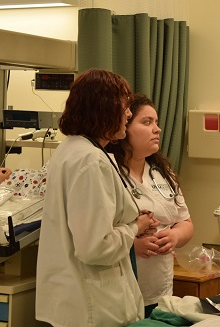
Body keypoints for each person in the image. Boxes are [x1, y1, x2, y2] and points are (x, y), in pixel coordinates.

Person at [36, 68, 159, 327]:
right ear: (104, 108)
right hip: (93, 306)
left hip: (76, 301)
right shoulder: (90, 160)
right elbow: (96, 247)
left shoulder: (71, 150)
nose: (128, 113)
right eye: (125, 106)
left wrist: (127, 220)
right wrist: (136, 226)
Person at [107, 94, 194, 318]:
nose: (157, 129)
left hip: (160, 292)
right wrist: (132, 246)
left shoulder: (162, 174)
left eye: (156, 122)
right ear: (124, 128)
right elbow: (96, 236)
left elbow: (185, 222)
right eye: (146, 122)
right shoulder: (108, 173)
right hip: (120, 291)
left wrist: (174, 237)